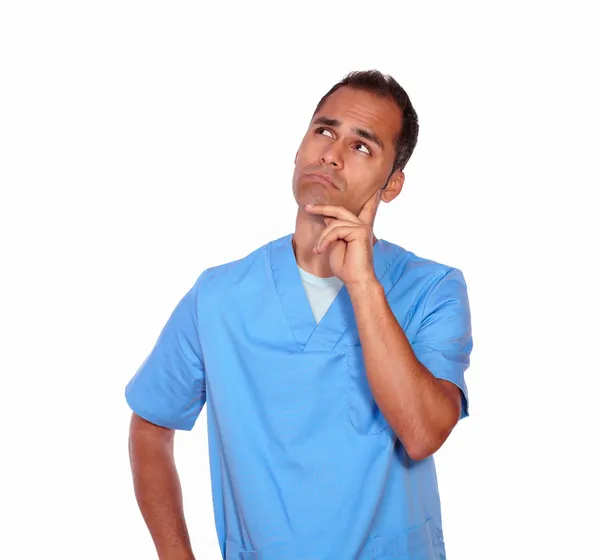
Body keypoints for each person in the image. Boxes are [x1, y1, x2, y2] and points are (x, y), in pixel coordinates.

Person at [125, 69, 473, 560]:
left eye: (361, 147)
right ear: (300, 147)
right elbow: (151, 426)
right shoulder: (219, 296)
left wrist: (363, 285)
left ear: (392, 185)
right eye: (324, 131)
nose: (330, 153)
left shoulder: (432, 289)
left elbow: (422, 433)